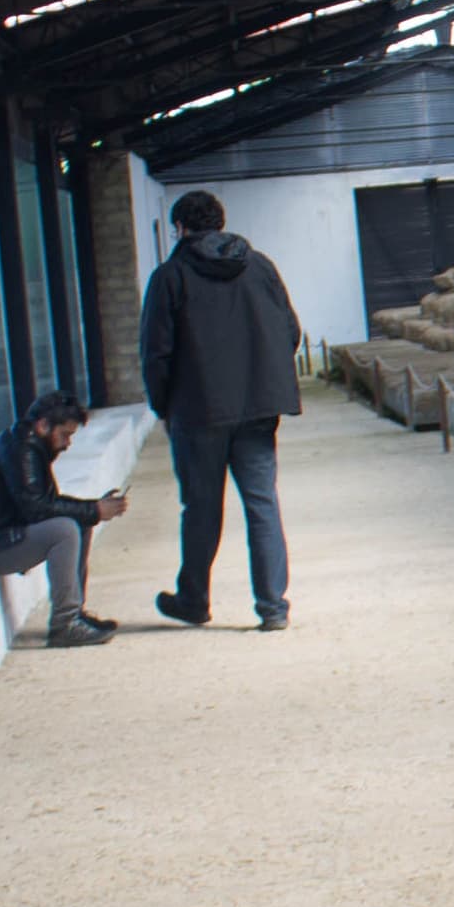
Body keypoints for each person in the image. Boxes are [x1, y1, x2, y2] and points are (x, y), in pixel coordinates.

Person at [139, 187, 304, 631]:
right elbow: (290, 331)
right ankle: (273, 607)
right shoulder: (260, 266)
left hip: (197, 413)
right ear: (220, 223)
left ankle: (194, 601)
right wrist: (262, 378)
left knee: (201, 508)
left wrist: (164, 407)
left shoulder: (170, 276)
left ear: (180, 227)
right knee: (262, 504)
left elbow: (156, 353)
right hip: (258, 408)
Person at [0, 390, 127, 649]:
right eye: (65, 435)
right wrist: (94, 510)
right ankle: (65, 624)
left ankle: (74, 613)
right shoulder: (21, 450)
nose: (67, 444)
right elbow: (37, 509)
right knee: (65, 529)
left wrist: (93, 510)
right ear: (44, 425)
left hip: (4, 536)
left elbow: (43, 503)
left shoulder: (28, 444)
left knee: (78, 522)